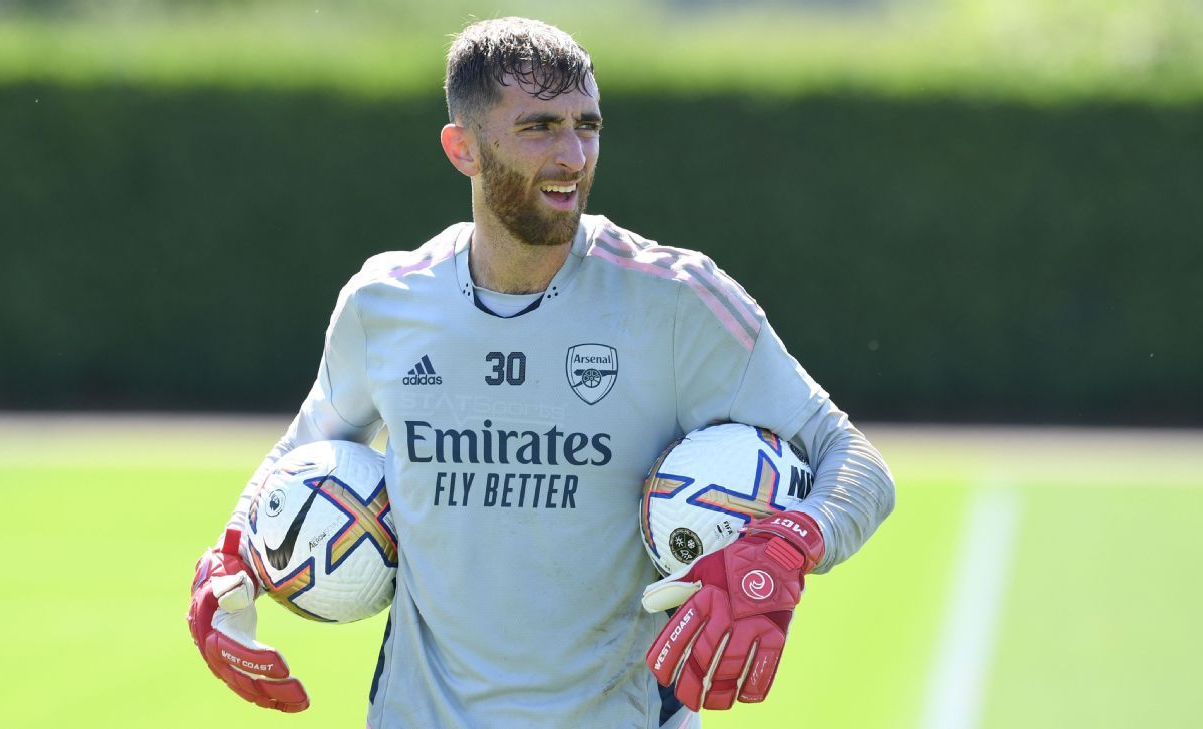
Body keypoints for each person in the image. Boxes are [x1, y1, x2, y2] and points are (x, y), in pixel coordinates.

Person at [187, 16, 894, 728]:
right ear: (463, 147)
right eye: (539, 128)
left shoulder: (676, 300)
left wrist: (790, 544)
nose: (573, 154)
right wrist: (227, 561)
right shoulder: (383, 304)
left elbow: (855, 460)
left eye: (587, 125)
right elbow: (296, 461)